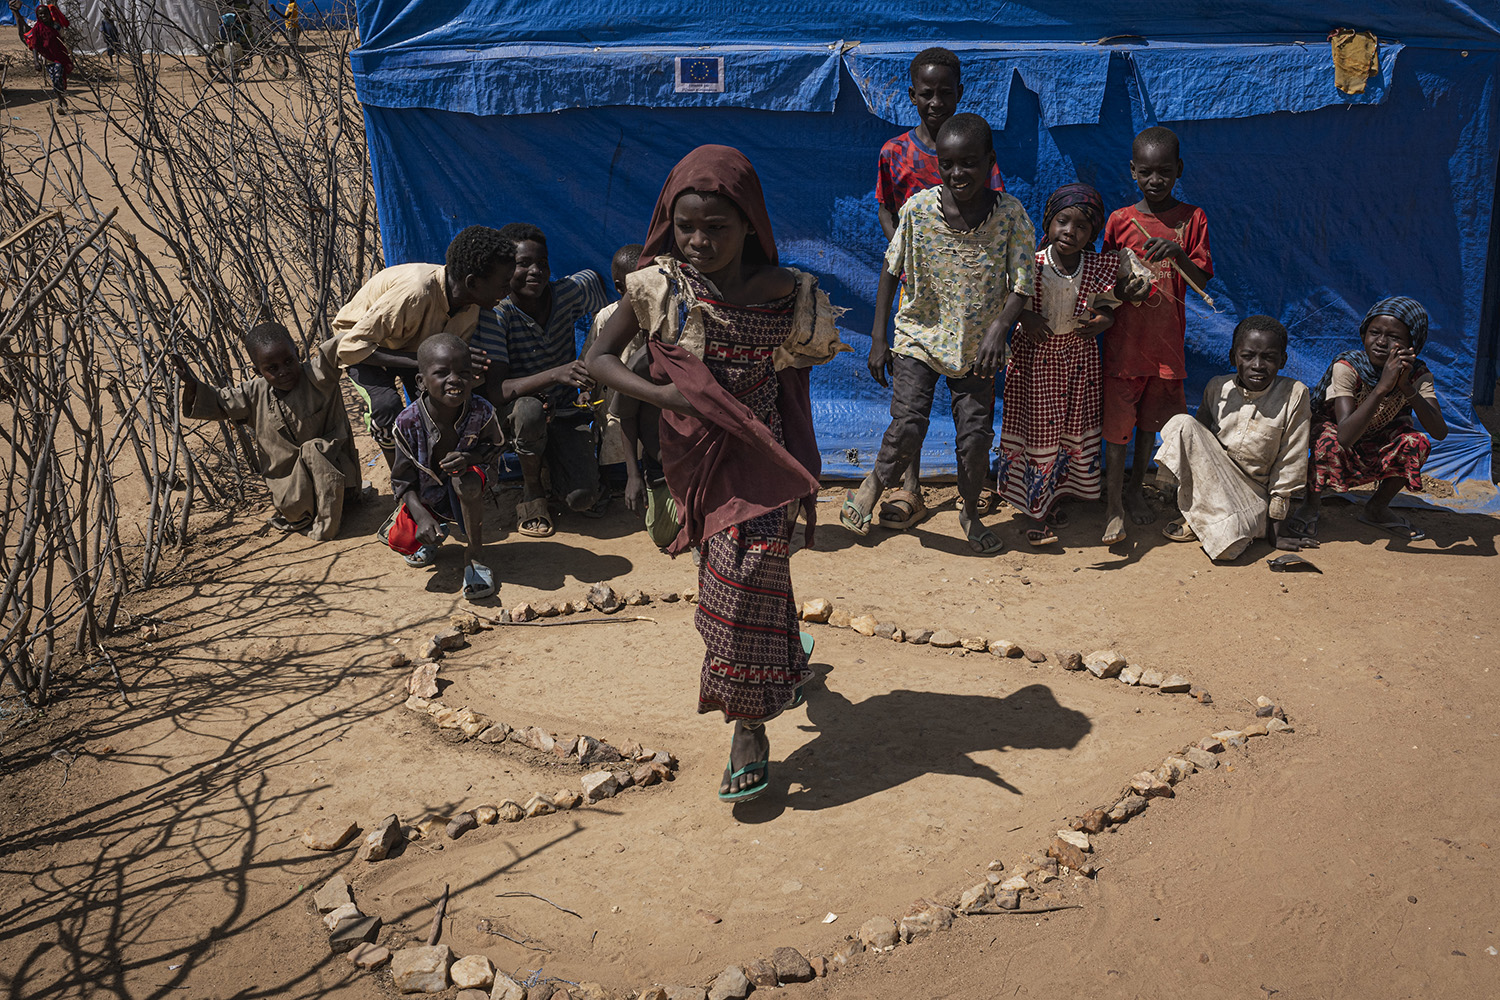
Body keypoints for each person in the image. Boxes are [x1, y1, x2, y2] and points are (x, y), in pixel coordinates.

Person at [586, 144, 846, 804]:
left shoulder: (787, 291)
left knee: (746, 573)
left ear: (749, 224)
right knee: (735, 574)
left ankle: (747, 728)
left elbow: (797, 370)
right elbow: (598, 359)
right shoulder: (659, 286)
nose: (698, 241)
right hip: (694, 457)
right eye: (685, 227)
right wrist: (663, 395)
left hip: (763, 453)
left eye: (716, 227)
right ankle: (781, 656)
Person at [844, 113, 1034, 555]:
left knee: (974, 438)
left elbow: (1023, 283)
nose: (957, 173)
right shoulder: (917, 210)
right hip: (921, 335)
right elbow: (891, 269)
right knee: (909, 421)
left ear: (990, 161)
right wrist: (878, 338)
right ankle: (875, 484)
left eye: (969, 163)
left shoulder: (1011, 216)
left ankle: (969, 512)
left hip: (977, 347)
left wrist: (999, 329)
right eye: (947, 164)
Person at [873, 46, 1007, 530]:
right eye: (926, 93)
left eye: (944, 93)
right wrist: (909, 252)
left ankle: (973, 487)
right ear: (912, 95)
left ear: (959, 94)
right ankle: (909, 488)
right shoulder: (895, 152)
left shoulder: (972, 147)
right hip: (920, 291)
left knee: (970, 401)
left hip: (968, 297)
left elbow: (994, 212)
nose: (935, 102)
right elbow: (886, 207)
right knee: (913, 399)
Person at [998, 183, 1151, 546]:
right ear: (1048, 223)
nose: (1070, 231)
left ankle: (1053, 498)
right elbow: (1001, 296)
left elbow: (1112, 300)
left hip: (1078, 362)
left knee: (1068, 431)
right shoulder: (1030, 263)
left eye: (1082, 227)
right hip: (1036, 363)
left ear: (1093, 234)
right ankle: (1035, 513)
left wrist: (1105, 319)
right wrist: (1025, 317)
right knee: (1039, 435)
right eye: (1062, 221)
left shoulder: (1097, 266)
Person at [1099, 126, 1214, 544]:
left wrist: (1178, 252)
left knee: (1150, 425)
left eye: (1164, 171)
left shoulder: (1192, 219)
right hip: (1124, 347)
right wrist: (1124, 290)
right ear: (1132, 171)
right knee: (1117, 429)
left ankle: (1135, 490)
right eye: (1146, 172)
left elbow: (1201, 281)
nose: (1155, 180)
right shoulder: (1120, 220)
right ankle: (1113, 505)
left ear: (1179, 169)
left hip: (1165, 346)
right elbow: (1104, 280)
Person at [332, 226, 513, 471]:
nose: (508, 291)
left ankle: (436, 473)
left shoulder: (471, 307)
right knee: (386, 407)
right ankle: (402, 480)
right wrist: (421, 362)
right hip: (366, 347)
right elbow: (350, 346)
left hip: (414, 349)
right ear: (472, 282)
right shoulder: (416, 292)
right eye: (503, 285)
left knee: (442, 404)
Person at [475, 223, 609, 537]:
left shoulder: (567, 293)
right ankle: (532, 490)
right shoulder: (498, 314)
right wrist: (556, 374)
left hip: (564, 410)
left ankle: (555, 466)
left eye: (542, 263)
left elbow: (602, 295)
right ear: (505, 270)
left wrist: (591, 365)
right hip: (518, 414)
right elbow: (497, 391)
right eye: (523, 264)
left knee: (582, 499)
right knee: (529, 411)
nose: (535, 271)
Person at [171, 323, 361, 540]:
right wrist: (192, 384)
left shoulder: (318, 376)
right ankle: (310, 516)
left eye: (288, 361)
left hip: (338, 478)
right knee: (308, 461)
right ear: (257, 371)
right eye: (272, 368)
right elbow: (219, 401)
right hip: (292, 491)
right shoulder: (253, 394)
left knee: (316, 450)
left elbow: (340, 345)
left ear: (297, 353)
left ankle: (327, 526)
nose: (283, 372)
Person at [1154, 315, 1317, 560]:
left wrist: (1277, 529)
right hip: (1213, 482)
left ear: (1282, 361)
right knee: (1182, 423)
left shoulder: (1294, 393)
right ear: (1233, 357)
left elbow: (1290, 462)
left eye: (1269, 357)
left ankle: (1204, 521)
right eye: (1248, 356)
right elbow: (1197, 446)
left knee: (1228, 549)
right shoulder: (1217, 387)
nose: (1258, 365)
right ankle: (1196, 512)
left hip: (1254, 495)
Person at [1293, 296, 1448, 542]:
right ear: (1364, 333)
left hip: (1379, 440)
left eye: (1394, 337)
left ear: (1412, 345)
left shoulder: (1417, 374)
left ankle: (1376, 508)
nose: (1381, 342)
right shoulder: (1349, 366)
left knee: (1416, 442)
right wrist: (1382, 388)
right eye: (1374, 332)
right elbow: (1344, 437)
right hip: (1344, 437)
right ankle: (1310, 505)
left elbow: (1439, 432)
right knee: (1326, 439)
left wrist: (1406, 386)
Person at [388, 334, 505, 601]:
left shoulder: (481, 411)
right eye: (442, 373)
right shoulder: (406, 423)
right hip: (428, 491)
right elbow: (402, 481)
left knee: (466, 481)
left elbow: (496, 446)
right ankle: (433, 530)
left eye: (463, 373)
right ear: (421, 382)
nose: (454, 380)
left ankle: (475, 557)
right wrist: (421, 516)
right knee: (403, 540)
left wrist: (470, 458)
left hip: (470, 483)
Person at [9, 1, 72, 112]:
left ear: (49, 14)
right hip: (47, 59)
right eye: (40, 14)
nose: (43, 16)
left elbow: (62, 39)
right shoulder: (37, 29)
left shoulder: (56, 26)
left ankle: (61, 102)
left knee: (58, 77)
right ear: (38, 16)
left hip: (59, 57)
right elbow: (34, 45)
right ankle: (61, 100)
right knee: (55, 81)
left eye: (45, 13)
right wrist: (36, 61)